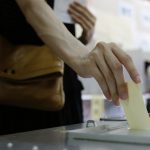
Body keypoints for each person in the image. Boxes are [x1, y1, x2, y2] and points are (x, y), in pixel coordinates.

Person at [0, 0, 141, 135]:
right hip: (23, 88)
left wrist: (83, 37)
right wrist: (81, 54)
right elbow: (31, 6)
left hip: (67, 86)